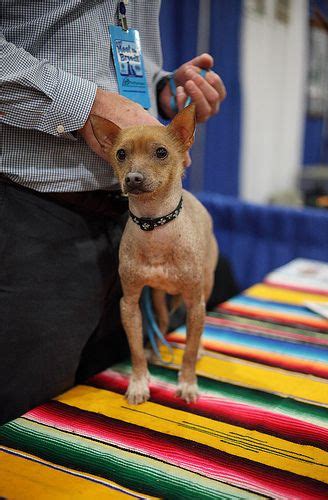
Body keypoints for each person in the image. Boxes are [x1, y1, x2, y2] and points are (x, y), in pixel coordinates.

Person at [0, 0, 234, 425]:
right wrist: (83, 102)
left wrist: (162, 89)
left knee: (112, 413)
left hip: (129, 220)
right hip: (37, 212)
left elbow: (125, 56)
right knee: (30, 419)